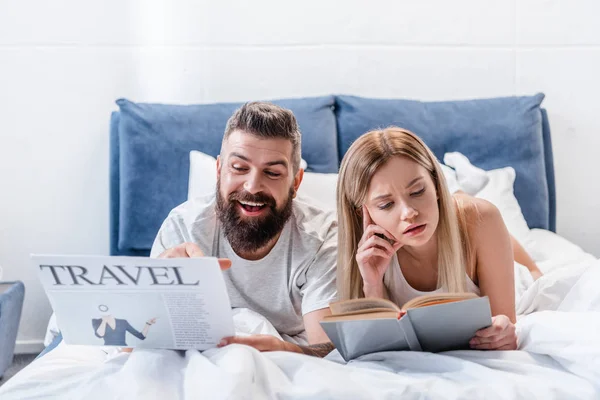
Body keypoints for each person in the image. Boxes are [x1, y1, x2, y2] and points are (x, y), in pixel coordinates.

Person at [150, 101, 337, 357]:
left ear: (296, 182)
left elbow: (326, 351)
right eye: (239, 168)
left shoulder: (323, 237)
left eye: (272, 172)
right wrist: (155, 288)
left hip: (290, 356)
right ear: (219, 170)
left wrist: (282, 350)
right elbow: (140, 340)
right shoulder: (183, 228)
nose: (252, 186)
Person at [336, 127, 536, 351]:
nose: (408, 213)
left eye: (418, 191)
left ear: (436, 185)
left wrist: (503, 331)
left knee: (486, 225)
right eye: (386, 204)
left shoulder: (482, 219)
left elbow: (504, 324)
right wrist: (372, 284)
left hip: (515, 275)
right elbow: (380, 347)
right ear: (362, 212)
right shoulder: (361, 252)